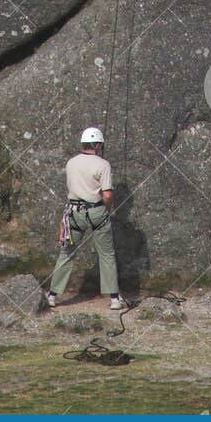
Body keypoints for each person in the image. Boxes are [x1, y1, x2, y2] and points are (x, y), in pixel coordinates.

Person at [47, 127, 127, 311]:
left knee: (67, 253)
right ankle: (114, 298)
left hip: (74, 212)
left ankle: (52, 295)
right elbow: (107, 194)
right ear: (98, 144)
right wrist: (107, 209)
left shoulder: (71, 163)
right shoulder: (103, 164)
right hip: (96, 211)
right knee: (106, 254)